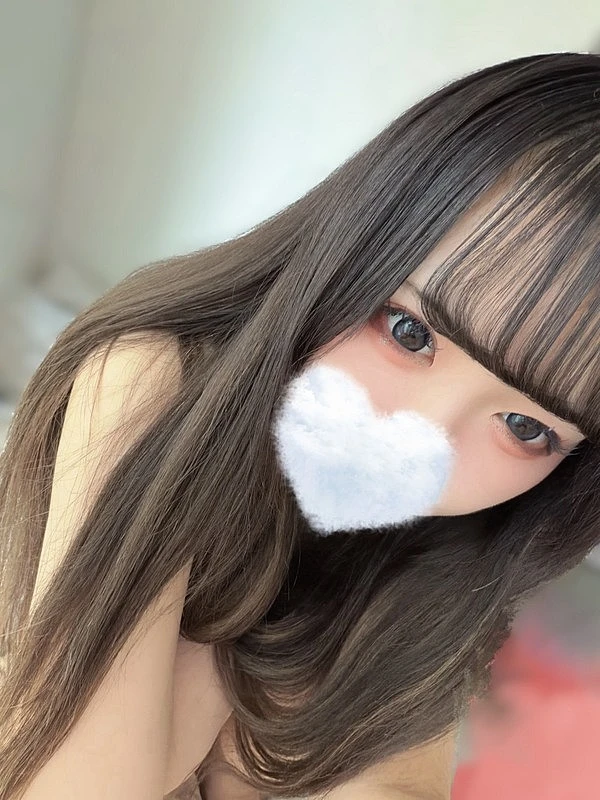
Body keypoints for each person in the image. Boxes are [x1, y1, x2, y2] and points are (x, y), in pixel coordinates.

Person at [0, 51, 599, 800]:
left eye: (526, 426)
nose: (421, 439)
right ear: (350, 250)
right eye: (410, 333)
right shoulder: (151, 376)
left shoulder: (446, 561)